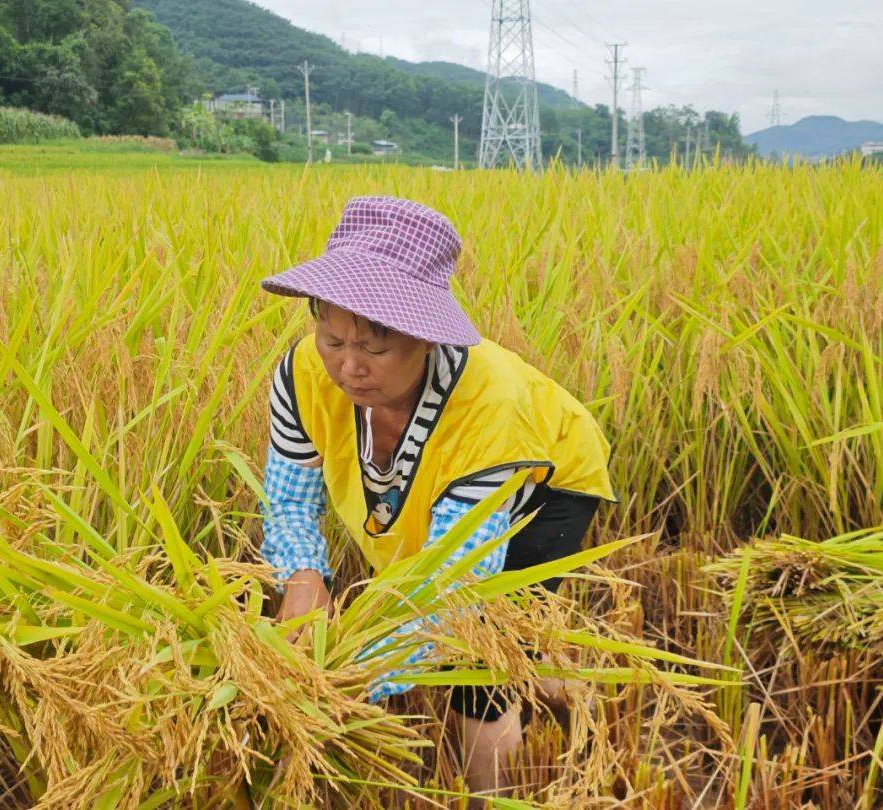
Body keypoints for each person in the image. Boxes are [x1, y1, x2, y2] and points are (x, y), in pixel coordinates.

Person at [258, 195, 616, 801]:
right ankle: (568, 689)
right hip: (439, 492)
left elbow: (454, 592)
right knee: (509, 640)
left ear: (426, 339)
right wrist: (302, 577)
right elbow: (289, 500)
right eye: (332, 338)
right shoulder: (300, 374)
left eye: (373, 348)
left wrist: (344, 674)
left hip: (548, 485)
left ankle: (491, 796)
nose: (348, 367)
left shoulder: (491, 410)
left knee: (475, 662)